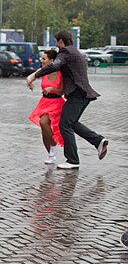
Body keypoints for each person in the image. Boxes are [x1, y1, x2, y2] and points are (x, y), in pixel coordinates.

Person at [27, 30, 108, 169]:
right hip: (82, 94)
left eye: (56, 42)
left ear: (61, 41)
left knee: (64, 124)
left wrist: (34, 76)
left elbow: (54, 66)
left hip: (78, 95)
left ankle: (72, 160)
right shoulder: (76, 52)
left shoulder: (66, 53)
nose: (56, 46)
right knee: (72, 123)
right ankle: (99, 141)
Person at [27, 49, 65, 165]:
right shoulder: (43, 71)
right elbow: (31, 77)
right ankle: (51, 154)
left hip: (56, 102)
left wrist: (52, 89)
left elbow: (62, 91)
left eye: (44, 59)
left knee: (44, 122)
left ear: (52, 60)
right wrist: (29, 82)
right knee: (44, 130)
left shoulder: (60, 73)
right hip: (44, 102)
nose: (41, 61)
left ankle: (53, 147)